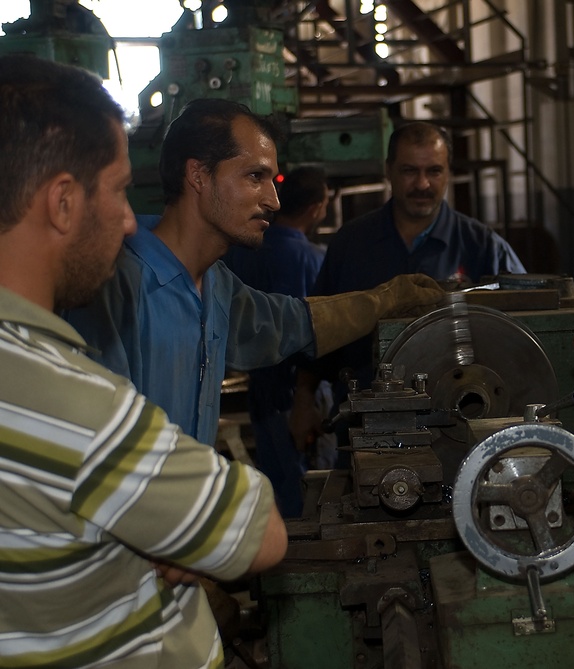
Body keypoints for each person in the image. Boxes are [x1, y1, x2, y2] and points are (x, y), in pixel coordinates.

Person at [0, 54, 286, 667]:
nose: (131, 220)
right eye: (120, 190)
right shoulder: (75, 405)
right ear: (63, 203)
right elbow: (259, 533)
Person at [63, 99, 444, 453]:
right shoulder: (116, 286)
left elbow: (287, 324)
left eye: (272, 180)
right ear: (198, 175)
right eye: (255, 176)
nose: (273, 201)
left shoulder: (216, 285)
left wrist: (386, 299)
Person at [292, 120, 526, 450]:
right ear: (389, 170)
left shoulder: (483, 247)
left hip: (458, 431)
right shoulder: (351, 244)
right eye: (409, 171)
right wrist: (303, 400)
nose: (422, 184)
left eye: (434, 171)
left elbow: (523, 333)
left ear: (448, 172)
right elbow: (320, 327)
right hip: (365, 430)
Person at [222, 166, 331, 517]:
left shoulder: (241, 251)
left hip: (261, 389)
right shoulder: (314, 260)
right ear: (317, 207)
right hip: (303, 393)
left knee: (276, 487)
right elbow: (322, 332)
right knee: (315, 490)